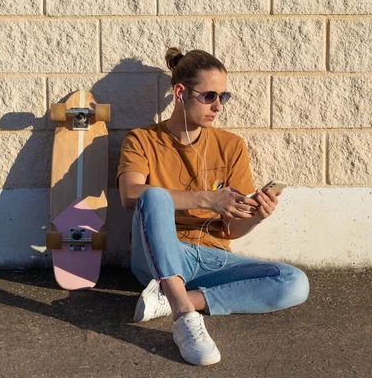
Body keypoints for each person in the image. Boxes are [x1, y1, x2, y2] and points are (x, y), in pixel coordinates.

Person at [117, 47, 309, 366]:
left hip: (210, 259)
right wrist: (206, 198)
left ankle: (176, 299)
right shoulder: (142, 140)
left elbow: (232, 228)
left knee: (294, 281)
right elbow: (130, 194)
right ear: (180, 93)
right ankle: (185, 318)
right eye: (209, 96)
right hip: (157, 256)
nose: (218, 106)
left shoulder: (230, 146)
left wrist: (257, 215)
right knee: (153, 195)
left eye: (223, 96)